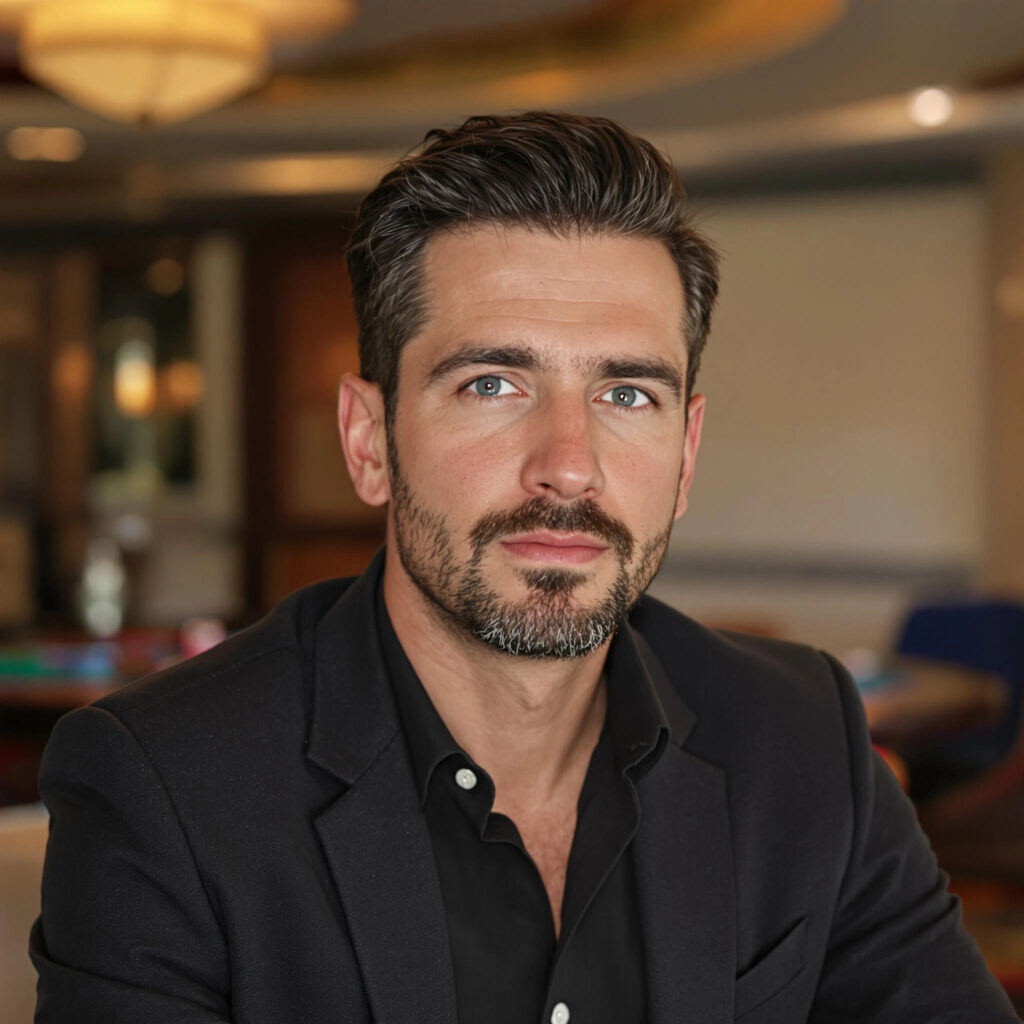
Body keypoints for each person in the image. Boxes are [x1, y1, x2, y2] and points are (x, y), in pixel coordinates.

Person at [31, 112, 1018, 1024]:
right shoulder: (164, 783)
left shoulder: (804, 742)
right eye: (493, 384)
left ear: (685, 454)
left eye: (627, 395)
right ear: (369, 440)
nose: (569, 466)